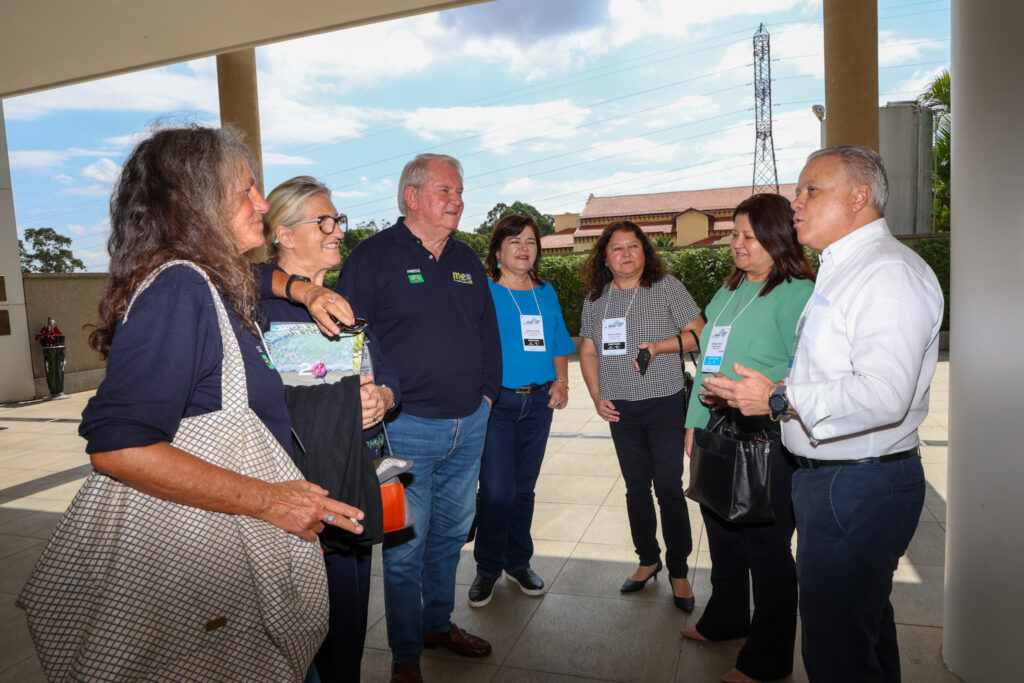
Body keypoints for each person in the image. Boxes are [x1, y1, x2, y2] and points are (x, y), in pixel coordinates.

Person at [33, 126, 364, 681]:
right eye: (246, 190)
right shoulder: (181, 288)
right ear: (195, 202)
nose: (262, 203)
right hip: (205, 561)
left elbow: (266, 277)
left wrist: (306, 290)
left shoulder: (215, 283)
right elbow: (119, 446)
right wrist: (268, 500)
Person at [702, 146, 943, 683]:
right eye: (798, 190)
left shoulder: (887, 274)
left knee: (837, 653)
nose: (797, 202)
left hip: (857, 487)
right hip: (838, 483)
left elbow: (884, 394)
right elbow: (834, 373)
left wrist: (778, 400)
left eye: (813, 189)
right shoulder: (847, 269)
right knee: (860, 635)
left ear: (860, 197)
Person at [337, 153, 501, 683]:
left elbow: (486, 332)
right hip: (404, 427)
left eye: (459, 192)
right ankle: (406, 654)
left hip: (469, 424)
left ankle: (437, 626)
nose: (457, 201)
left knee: (451, 537)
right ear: (413, 197)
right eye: (445, 191)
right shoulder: (371, 258)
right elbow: (349, 343)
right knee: (405, 545)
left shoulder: (467, 259)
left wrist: (489, 396)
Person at [259, 175, 398, 682]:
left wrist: (381, 397)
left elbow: (386, 374)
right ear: (284, 234)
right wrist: (300, 290)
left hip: (348, 491)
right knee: (293, 649)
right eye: (325, 220)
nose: (338, 230)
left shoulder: (341, 305)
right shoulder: (251, 309)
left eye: (337, 219)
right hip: (286, 503)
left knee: (346, 641)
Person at [678, 194, 815, 683]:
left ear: (778, 238)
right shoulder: (732, 288)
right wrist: (695, 422)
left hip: (767, 436)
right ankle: (726, 618)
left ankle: (769, 658)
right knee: (722, 531)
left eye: (747, 237)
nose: (735, 244)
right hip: (717, 428)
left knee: (766, 548)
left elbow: (811, 374)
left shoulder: (797, 292)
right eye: (734, 234)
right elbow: (708, 360)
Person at [578, 220, 704, 612]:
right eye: (617, 248)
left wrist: (663, 345)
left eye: (634, 246)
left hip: (665, 402)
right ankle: (648, 559)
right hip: (622, 411)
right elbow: (587, 351)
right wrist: (598, 397)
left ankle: (679, 570)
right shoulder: (596, 299)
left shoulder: (666, 287)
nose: (627, 254)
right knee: (636, 488)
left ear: (645, 251)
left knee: (668, 487)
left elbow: (699, 333)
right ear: (605, 257)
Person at [468, 214, 575, 608]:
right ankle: (487, 568)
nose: (524, 248)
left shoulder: (545, 292)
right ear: (497, 251)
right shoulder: (483, 292)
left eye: (531, 241)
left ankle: (518, 562)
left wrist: (561, 380)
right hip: (497, 404)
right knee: (496, 491)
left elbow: (560, 341)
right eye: (514, 241)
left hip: (539, 403)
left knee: (523, 491)